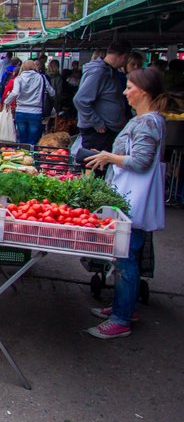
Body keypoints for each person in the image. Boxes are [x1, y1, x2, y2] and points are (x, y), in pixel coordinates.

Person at [84, 68, 167, 339]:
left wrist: (109, 157)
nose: (124, 92)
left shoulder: (148, 122)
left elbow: (141, 162)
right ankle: (124, 307)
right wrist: (107, 156)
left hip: (135, 197)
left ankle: (121, 319)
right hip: (131, 195)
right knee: (125, 254)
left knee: (125, 258)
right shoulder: (145, 120)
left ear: (142, 92)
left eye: (129, 87)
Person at [74, 40, 131, 153]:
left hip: (105, 130)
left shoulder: (109, 71)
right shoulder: (99, 72)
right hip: (98, 133)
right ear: (124, 57)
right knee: (95, 168)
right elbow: (80, 100)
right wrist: (97, 123)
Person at [4, 59, 56, 145]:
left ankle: (23, 154)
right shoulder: (41, 78)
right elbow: (52, 92)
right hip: (36, 112)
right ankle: (32, 155)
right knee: (33, 140)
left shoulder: (19, 78)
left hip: (21, 111)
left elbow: (15, 93)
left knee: (22, 139)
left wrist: (7, 102)